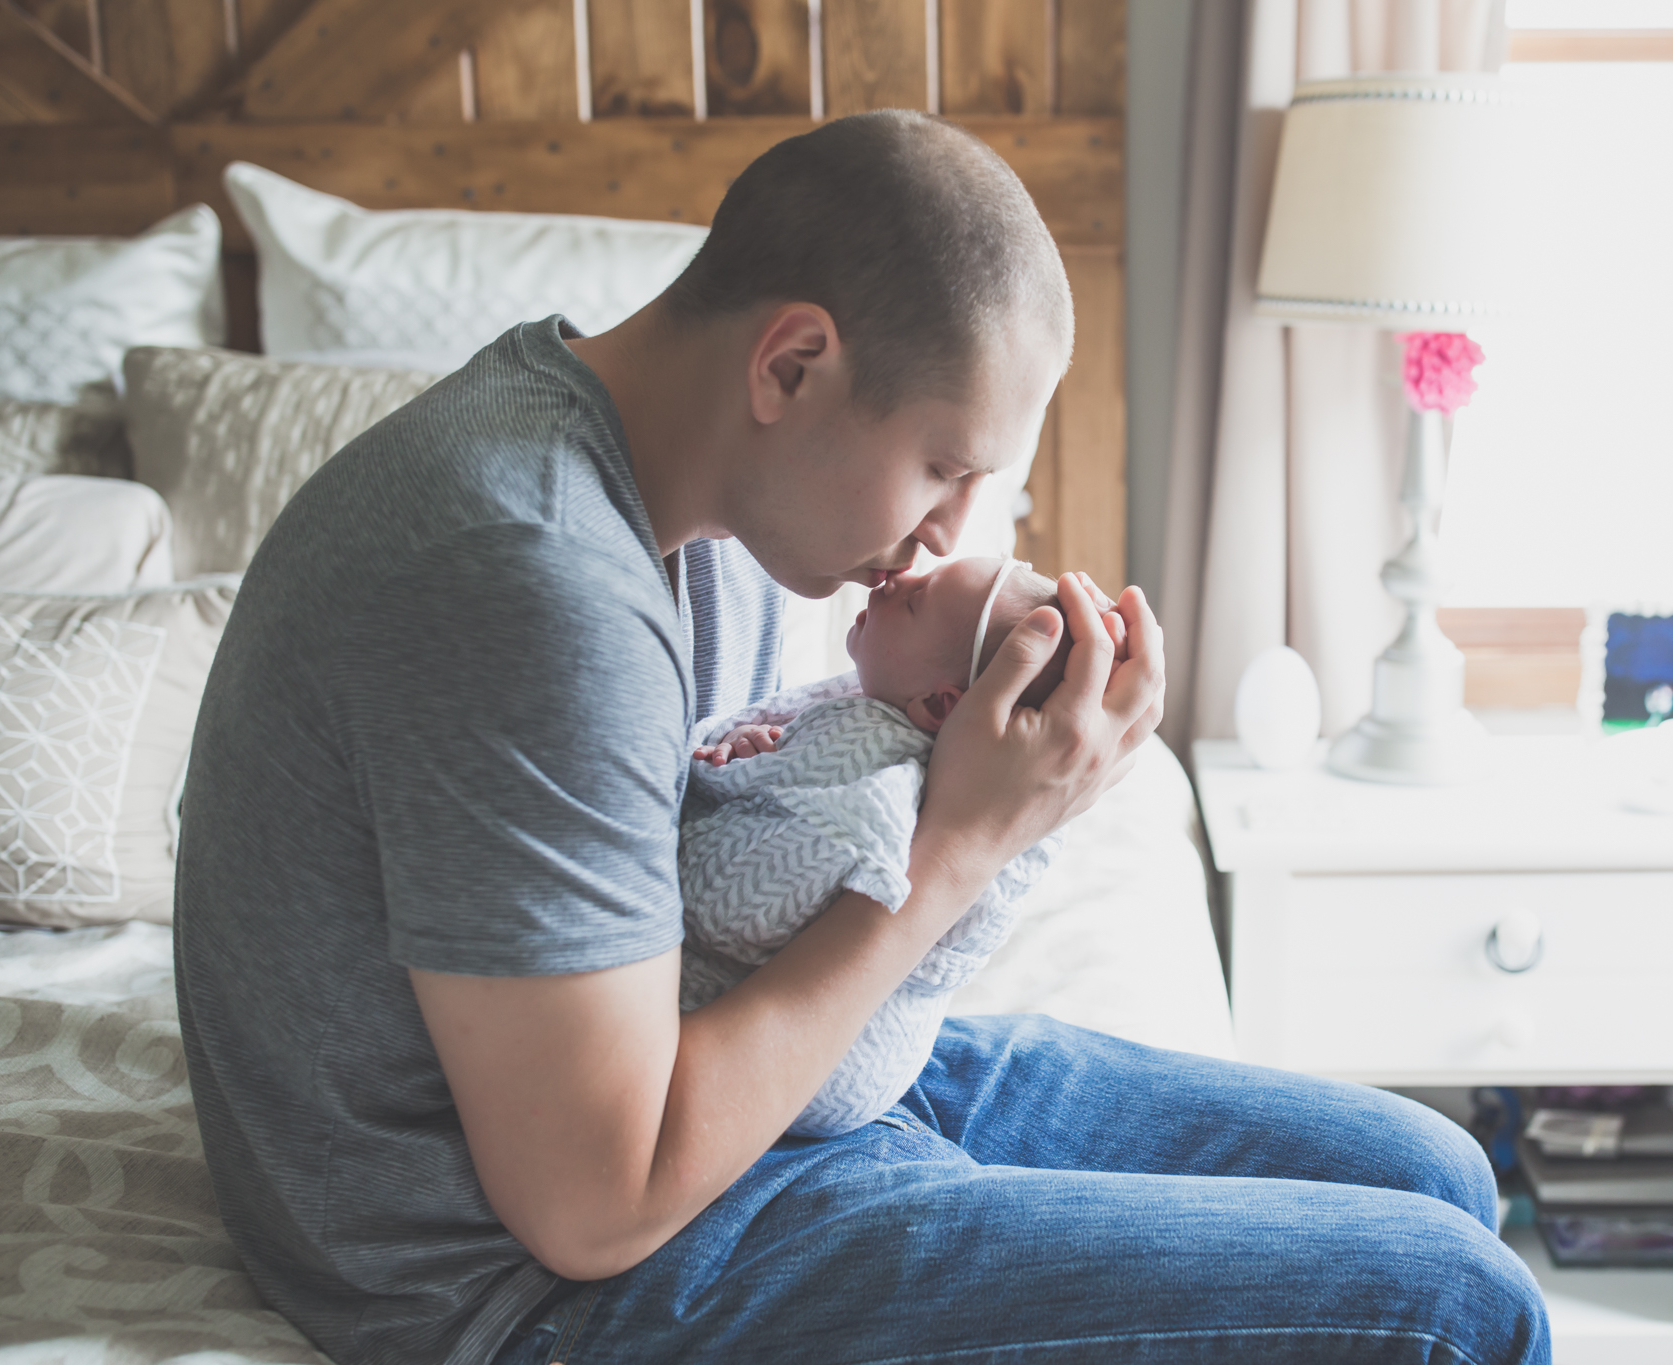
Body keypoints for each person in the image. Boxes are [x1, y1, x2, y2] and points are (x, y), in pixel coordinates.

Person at [174, 109, 1550, 1365]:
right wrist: (960, 847)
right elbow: (592, 1206)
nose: (950, 529)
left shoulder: (696, 500)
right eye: (946, 466)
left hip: (736, 1077)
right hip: (534, 1275)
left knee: (1432, 1170)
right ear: (794, 361)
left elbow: (789, 814)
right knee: (1457, 1303)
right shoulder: (529, 578)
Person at [678, 557, 1077, 1137]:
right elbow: (799, 764)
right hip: (798, 1067)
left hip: (806, 1067)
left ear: (941, 706)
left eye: (916, 601)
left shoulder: (880, 770)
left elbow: (729, 902)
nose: (899, 577)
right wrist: (765, 750)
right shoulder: (881, 721)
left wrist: (717, 789)